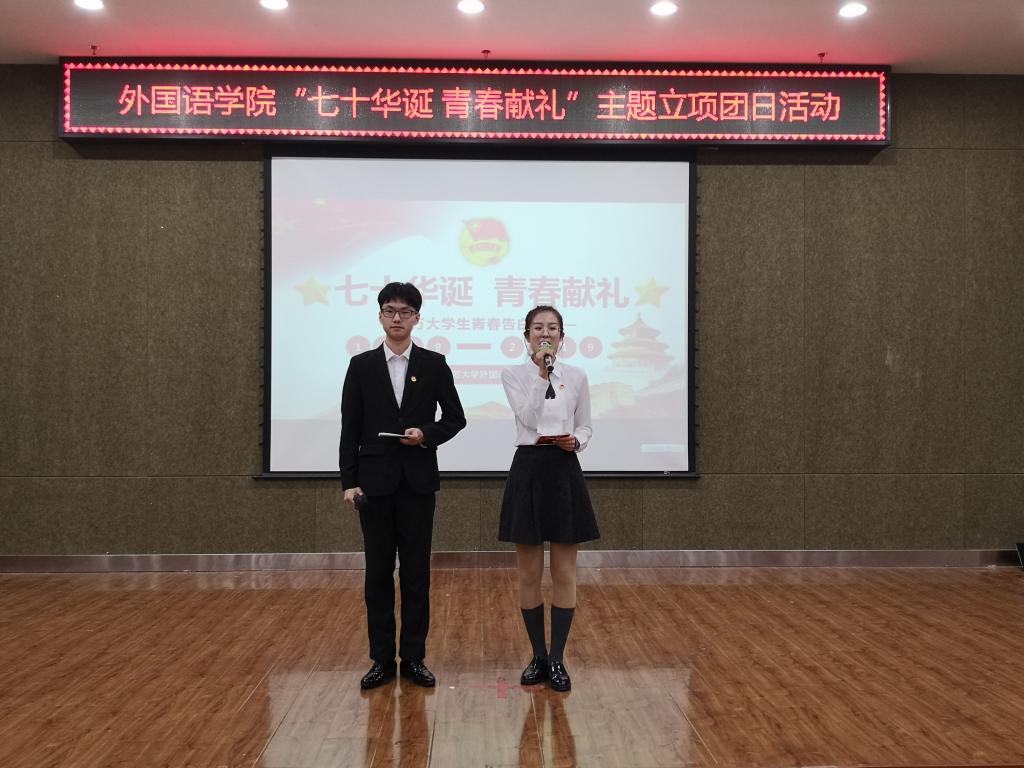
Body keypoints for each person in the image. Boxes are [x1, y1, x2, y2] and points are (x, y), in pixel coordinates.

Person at [340, 282, 466, 690]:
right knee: (377, 574)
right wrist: (349, 481)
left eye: (405, 311)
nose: (397, 318)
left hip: (417, 484)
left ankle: (413, 658)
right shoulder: (361, 365)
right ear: (380, 316)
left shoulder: (433, 364)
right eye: (390, 310)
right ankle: (381, 660)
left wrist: (426, 434)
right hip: (373, 485)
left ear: (417, 318)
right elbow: (350, 427)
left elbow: (455, 418)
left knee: (415, 575)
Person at [499, 305, 599, 692]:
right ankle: (537, 656)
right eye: (538, 328)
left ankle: (557, 658)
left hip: (563, 469)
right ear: (526, 336)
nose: (546, 334)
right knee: (528, 573)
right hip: (529, 468)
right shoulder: (514, 375)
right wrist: (542, 375)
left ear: (562, 336)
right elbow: (528, 418)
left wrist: (578, 440)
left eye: (552, 328)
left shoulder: (577, 376)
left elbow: (585, 424)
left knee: (564, 572)